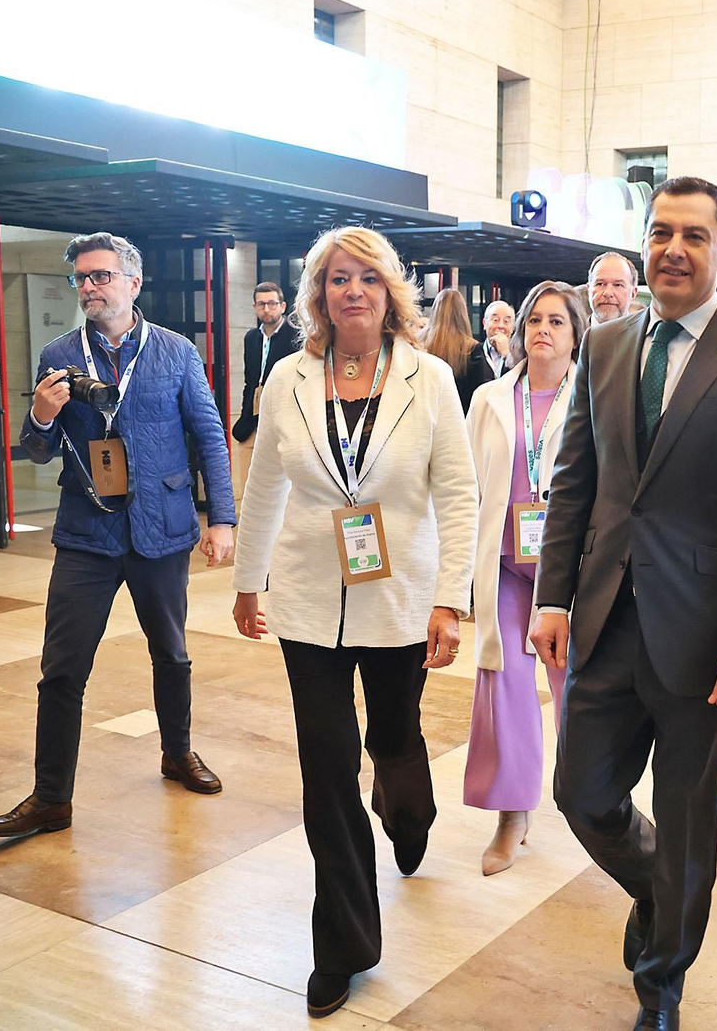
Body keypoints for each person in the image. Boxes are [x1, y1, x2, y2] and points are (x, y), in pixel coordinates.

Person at [529, 176, 717, 1031]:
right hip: (607, 619)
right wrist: (551, 596)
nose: (673, 249)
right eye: (660, 233)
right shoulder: (607, 344)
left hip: (704, 639)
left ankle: (661, 983)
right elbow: (575, 481)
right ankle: (663, 891)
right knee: (582, 795)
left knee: (686, 815)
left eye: (693, 235)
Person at [230, 226, 477, 1019]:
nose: (353, 292)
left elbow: (458, 496)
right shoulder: (286, 380)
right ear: (319, 294)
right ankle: (341, 943)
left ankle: (410, 813)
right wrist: (246, 581)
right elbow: (266, 486)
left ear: (389, 291)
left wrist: (451, 596)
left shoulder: (429, 379)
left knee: (394, 742)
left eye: (367, 279)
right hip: (308, 602)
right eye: (338, 279)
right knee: (328, 769)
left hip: (401, 597)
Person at [0, 232, 236, 840]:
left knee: (171, 652)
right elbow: (36, 452)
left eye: (101, 276)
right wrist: (39, 414)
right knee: (62, 668)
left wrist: (221, 518)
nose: (90, 287)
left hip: (162, 528)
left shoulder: (175, 352)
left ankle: (177, 752)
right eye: (82, 279)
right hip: (86, 532)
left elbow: (208, 436)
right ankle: (50, 797)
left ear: (132, 283)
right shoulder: (58, 354)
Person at [463, 280, 587, 876]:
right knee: (505, 682)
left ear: (575, 333)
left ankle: (595, 805)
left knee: (576, 689)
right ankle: (513, 812)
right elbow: (466, 489)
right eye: (534, 318)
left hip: (569, 574)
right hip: (506, 567)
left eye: (557, 321)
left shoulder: (592, 397)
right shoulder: (489, 398)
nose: (543, 328)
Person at [231, 281, 298, 497]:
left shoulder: (295, 335)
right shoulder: (252, 337)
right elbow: (249, 380)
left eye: (271, 303)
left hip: (284, 417)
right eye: (261, 304)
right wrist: (244, 415)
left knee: (281, 485)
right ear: (254, 307)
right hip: (253, 418)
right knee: (250, 480)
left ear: (283, 306)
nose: (266, 309)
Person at [425, 287, 495, 414]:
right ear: (463, 313)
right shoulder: (471, 349)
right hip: (460, 419)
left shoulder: (419, 343)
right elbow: (485, 390)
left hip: (425, 417)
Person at [588, 251, 640, 323]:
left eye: (618, 285)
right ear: (589, 290)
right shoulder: (572, 332)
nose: (608, 293)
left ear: (633, 294)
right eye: (600, 284)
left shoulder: (645, 333)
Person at [481, 299, 516, 377]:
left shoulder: (520, 354)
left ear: (513, 328)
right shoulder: (473, 353)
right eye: (495, 320)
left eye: (506, 321)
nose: (501, 326)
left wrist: (507, 355)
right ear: (485, 323)